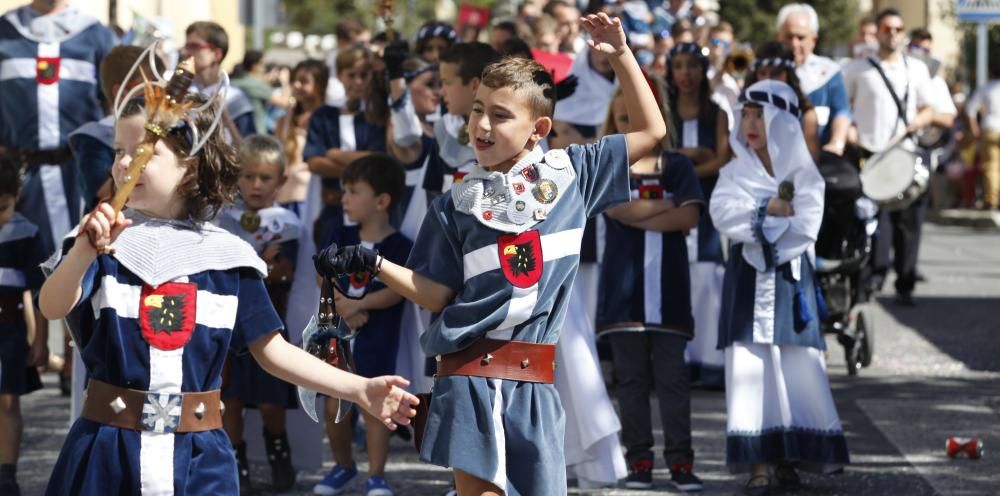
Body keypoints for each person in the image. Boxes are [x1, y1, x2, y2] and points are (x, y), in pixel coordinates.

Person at [314, 13, 666, 495]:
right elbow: (436, 294)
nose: (480, 124)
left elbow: (652, 132)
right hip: (469, 378)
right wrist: (374, 263)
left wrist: (622, 55)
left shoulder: (575, 174)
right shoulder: (454, 204)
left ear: (538, 127)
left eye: (500, 115)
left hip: (536, 386)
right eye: (477, 109)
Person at [38, 93, 417, 496]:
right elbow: (52, 305)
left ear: (190, 168)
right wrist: (83, 251)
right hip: (107, 452)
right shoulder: (95, 243)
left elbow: (274, 351)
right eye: (118, 151)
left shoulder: (227, 257)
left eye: (143, 152)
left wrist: (356, 388)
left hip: (199, 460)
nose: (124, 164)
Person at [710, 79, 849, 495]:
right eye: (746, 114)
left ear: (782, 121)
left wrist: (764, 229)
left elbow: (806, 227)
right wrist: (767, 210)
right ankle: (757, 464)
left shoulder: (804, 173)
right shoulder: (735, 170)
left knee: (796, 365)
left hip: (790, 282)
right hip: (747, 281)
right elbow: (722, 213)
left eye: (759, 115)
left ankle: (793, 454)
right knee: (749, 367)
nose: (749, 124)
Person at [598, 84, 705, 492]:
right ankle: (638, 460)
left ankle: (681, 463)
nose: (632, 125)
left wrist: (637, 215)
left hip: (670, 296)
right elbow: (617, 209)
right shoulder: (610, 166)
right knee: (631, 382)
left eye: (640, 117)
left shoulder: (678, 165)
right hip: (623, 299)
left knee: (674, 381)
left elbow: (689, 218)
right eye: (624, 119)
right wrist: (666, 205)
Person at [313, 155, 412, 496]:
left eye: (354, 191)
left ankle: (377, 475)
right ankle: (342, 466)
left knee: (375, 407)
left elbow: (398, 292)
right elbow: (322, 275)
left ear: (382, 201)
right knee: (334, 405)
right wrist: (345, 308)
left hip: (377, 341)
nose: (345, 198)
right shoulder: (339, 234)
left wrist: (362, 303)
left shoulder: (400, 246)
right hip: (337, 340)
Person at [215, 135, 301, 493]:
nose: (255, 185)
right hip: (230, 327)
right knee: (230, 402)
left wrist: (255, 264)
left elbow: (286, 272)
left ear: (280, 182)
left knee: (270, 404)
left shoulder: (287, 223)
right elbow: (223, 269)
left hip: (270, 327)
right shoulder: (224, 219)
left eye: (265, 178)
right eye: (248, 176)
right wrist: (263, 261)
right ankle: (238, 468)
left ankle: (281, 460)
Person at [843, 8, 936, 306]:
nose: (892, 34)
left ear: (903, 34)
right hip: (870, 155)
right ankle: (873, 276)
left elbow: (929, 108)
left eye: (897, 29)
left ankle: (905, 281)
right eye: (886, 29)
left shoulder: (917, 69)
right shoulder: (858, 69)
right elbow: (842, 109)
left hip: (904, 154)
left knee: (907, 223)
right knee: (873, 220)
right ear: (878, 32)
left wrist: (919, 122)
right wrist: (850, 134)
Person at [665, 42, 728, 387]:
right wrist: (689, 156)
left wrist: (683, 169)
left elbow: (721, 158)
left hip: (705, 203)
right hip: (669, 203)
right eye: (679, 65)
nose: (686, 73)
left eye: (693, 66)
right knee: (674, 279)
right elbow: (659, 155)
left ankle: (709, 362)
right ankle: (677, 363)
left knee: (707, 279)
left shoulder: (716, 112)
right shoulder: (664, 110)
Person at [0, 157, 49, 496]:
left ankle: (6, 473)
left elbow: (40, 293)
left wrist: (41, 341)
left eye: (1, 207)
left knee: (7, 402)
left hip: (10, 330)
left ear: (16, 195)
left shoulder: (27, 234)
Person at [420, 42, 502, 195]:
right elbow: (433, 193)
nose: (441, 92)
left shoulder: (504, 132)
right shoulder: (445, 129)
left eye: (447, 83)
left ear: (474, 85)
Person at [775, 3, 852, 155]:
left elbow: (842, 111)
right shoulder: (765, 71)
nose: (794, 44)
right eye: (788, 36)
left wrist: (836, 143)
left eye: (801, 37)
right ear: (778, 36)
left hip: (818, 158)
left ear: (813, 39)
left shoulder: (829, 71)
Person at [743, 41, 820, 161]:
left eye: (776, 74)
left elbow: (810, 162)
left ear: (789, 75)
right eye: (762, 73)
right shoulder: (745, 109)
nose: (768, 80)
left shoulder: (806, 115)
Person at [182, 21, 257, 138]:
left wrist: (225, 118)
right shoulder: (182, 90)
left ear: (216, 54)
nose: (185, 52)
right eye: (186, 46)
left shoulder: (235, 98)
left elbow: (247, 152)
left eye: (194, 46)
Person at [275, 59, 329, 216]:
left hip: (312, 198)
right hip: (284, 199)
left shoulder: (327, 119)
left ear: (319, 85)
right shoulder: (285, 118)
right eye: (294, 80)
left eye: (304, 81)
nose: (296, 85)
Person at [966, 65, 1000, 210]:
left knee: (991, 166)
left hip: (990, 129)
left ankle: (991, 200)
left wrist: (974, 129)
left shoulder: (986, 88)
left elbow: (970, 109)